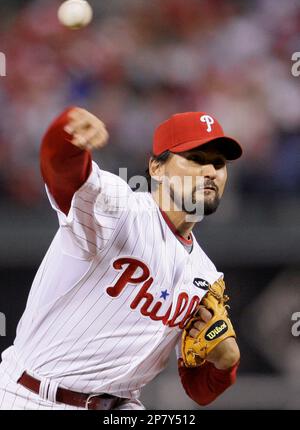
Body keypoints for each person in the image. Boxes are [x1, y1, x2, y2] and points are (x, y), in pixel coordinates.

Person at [0, 107, 242, 410]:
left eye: (218, 164)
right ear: (156, 168)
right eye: (195, 159)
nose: (210, 172)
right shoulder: (120, 210)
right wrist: (68, 133)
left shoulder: (205, 276)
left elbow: (199, 391)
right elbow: (63, 176)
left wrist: (225, 363)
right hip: (32, 396)